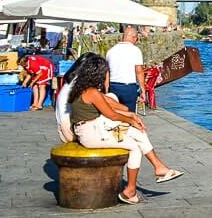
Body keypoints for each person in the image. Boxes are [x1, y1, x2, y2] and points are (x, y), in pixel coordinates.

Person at [69, 55, 183, 204]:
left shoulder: (82, 88)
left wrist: (130, 115)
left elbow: (108, 103)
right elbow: (112, 115)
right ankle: (130, 191)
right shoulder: (92, 93)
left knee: (137, 132)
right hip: (91, 133)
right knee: (134, 148)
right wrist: (131, 119)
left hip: (95, 128)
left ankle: (160, 168)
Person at [106, 26, 145, 113]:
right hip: (128, 88)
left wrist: (106, 89)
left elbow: (107, 72)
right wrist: (142, 89)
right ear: (134, 38)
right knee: (129, 114)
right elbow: (139, 71)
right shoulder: (136, 51)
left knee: (114, 114)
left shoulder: (110, 51)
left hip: (113, 86)